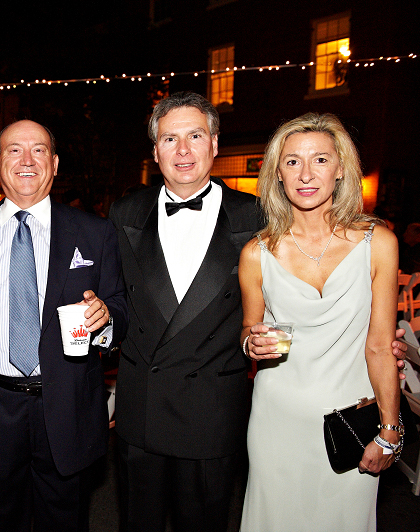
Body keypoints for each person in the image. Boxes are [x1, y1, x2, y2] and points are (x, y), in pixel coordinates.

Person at [0, 119, 127, 531]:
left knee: (64, 521)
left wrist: (108, 317)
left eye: (39, 150)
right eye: (14, 150)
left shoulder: (96, 232)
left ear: (55, 163)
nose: (27, 160)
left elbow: (120, 305)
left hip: (67, 407)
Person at [109, 92, 267, 532]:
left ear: (214, 144)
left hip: (212, 411)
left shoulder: (255, 217)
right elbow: (117, 300)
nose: (182, 151)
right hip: (142, 409)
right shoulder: (125, 212)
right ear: (154, 149)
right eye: (169, 138)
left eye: (195, 136)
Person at [239, 113, 401, 531]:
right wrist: (249, 344)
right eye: (292, 161)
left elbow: (380, 346)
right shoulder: (257, 253)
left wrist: (389, 429)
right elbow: (248, 329)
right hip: (278, 422)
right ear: (277, 173)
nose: (306, 174)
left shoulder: (377, 243)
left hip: (353, 420)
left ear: (341, 168)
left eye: (320, 160)